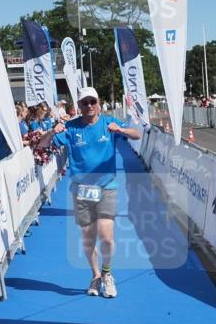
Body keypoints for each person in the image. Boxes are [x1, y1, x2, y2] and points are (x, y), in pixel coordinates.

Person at [38, 87, 141, 299]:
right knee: (88, 238)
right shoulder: (70, 127)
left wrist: (121, 131)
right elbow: (42, 145)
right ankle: (95, 275)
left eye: (92, 101)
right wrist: (51, 132)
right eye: (84, 103)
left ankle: (107, 274)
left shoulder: (108, 123)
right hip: (82, 190)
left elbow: (137, 134)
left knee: (106, 236)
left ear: (98, 103)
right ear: (79, 106)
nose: (89, 106)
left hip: (106, 187)